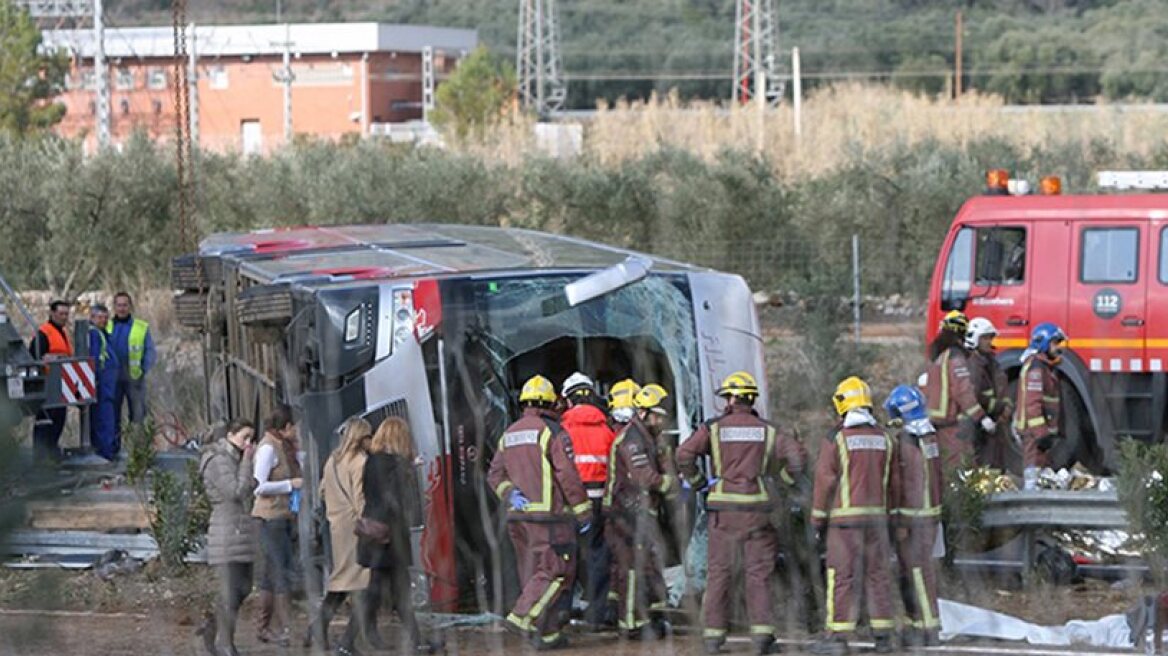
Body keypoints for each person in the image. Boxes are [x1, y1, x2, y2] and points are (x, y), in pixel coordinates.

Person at [678, 371, 806, 656]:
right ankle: (762, 638)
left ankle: (712, 638)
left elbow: (683, 455)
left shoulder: (713, 428)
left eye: (727, 397)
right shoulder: (769, 430)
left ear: (734, 398)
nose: (725, 402)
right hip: (757, 511)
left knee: (719, 574)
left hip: (723, 512)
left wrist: (700, 483)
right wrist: (781, 485)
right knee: (758, 574)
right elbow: (798, 457)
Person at [487, 374, 591, 650]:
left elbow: (494, 475)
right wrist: (583, 512)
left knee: (533, 575)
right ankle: (521, 617)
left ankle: (547, 635)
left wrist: (510, 493)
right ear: (549, 402)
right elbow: (567, 476)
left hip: (518, 517)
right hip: (550, 518)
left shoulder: (509, 434)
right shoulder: (552, 432)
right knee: (558, 572)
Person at [809, 376, 900, 656]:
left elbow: (825, 482)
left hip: (844, 523)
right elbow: (894, 483)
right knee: (878, 575)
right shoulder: (885, 438)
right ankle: (883, 636)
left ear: (842, 403)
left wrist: (817, 520)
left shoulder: (836, 439)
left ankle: (838, 637)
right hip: (878, 522)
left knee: (842, 577)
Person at [602, 383, 678, 641]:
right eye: (656, 415)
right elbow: (643, 476)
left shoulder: (648, 437)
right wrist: (667, 483)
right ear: (643, 413)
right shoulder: (632, 440)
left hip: (639, 513)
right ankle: (630, 625)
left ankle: (648, 615)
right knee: (630, 569)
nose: (660, 421)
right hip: (625, 514)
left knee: (644, 566)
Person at [359, 416, 433, 654]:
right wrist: (409, 470)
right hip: (389, 537)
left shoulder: (371, 461)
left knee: (390, 591)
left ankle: (417, 640)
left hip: (373, 533)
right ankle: (347, 642)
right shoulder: (395, 464)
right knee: (380, 593)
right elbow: (395, 500)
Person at [883, 385, 943, 648]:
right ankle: (914, 624)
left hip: (913, 519)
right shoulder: (930, 438)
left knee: (916, 572)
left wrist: (898, 521)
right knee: (916, 572)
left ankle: (928, 628)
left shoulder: (905, 443)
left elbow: (899, 485)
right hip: (931, 516)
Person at [311, 418, 374, 655]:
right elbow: (360, 499)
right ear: (361, 438)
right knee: (365, 584)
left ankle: (319, 628)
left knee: (342, 581)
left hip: (336, 525)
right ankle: (347, 642)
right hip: (355, 528)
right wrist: (368, 522)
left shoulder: (332, 460)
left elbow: (322, 490)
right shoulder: (359, 462)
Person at [558, 372, 616, 628]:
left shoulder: (563, 431)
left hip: (572, 502)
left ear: (568, 400)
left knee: (566, 557)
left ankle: (564, 611)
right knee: (598, 556)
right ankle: (597, 613)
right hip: (601, 502)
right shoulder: (607, 430)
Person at [197, 419, 259, 656]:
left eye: (251, 439)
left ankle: (212, 626)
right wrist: (247, 462)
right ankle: (225, 643)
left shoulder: (232, 459)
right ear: (231, 435)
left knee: (242, 587)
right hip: (227, 531)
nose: (248, 443)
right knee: (232, 591)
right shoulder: (219, 460)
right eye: (245, 437)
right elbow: (234, 491)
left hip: (240, 530)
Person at [251, 405, 303, 646]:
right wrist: (289, 484)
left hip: (282, 517)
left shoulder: (283, 446)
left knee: (271, 574)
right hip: (270, 518)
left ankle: (265, 628)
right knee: (280, 572)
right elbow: (259, 485)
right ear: (286, 426)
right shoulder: (268, 449)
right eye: (294, 426)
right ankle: (284, 628)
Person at [923, 310, 993, 470]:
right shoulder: (956, 357)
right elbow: (963, 390)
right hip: (951, 423)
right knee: (958, 466)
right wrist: (981, 417)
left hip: (935, 422)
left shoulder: (939, 356)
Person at [1014, 322, 1067, 488]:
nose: (1058, 348)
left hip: (1039, 434)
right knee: (1034, 475)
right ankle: (1031, 505)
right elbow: (1033, 404)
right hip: (1034, 435)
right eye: (1055, 343)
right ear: (1043, 343)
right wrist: (1041, 434)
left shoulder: (1044, 366)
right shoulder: (1036, 368)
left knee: (1042, 475)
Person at [964, 317, 1014, 469]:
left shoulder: (992, 362)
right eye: (984, 337)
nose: (988, 341)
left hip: (994, 424)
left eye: (990, 337)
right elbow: (973, 396)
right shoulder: (971, 364)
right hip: (977, 426)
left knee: (996, 465)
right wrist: (996, 409)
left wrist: (1007, 407)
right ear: (974, 339)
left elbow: (1003, 387)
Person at [106, 291, 156, 441]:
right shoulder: (106, 326)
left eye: (125, 305)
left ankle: (137, 451)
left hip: (134, 379)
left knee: (138, 416)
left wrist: (143, 370)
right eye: (119, 305)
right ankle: (113, 449)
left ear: (130, 307)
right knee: (112, 417)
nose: (122, 308)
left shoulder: (141, 327)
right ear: (114, 307)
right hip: (112, 380)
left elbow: (150, 351)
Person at [29, 300, 73, 463]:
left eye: (66, 314)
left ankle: (51, 454)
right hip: (47, 386)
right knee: (45, 422)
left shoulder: (62, 332)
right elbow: (34, 357)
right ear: (52, 313)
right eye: (61, 314)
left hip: (61, 385)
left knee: (58, 421)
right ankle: (40, 458)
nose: (64, 317)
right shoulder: (44, 333)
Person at [87, 304, 120, 461]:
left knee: (107, 418)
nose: (104, 320)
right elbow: (94, 358)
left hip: (108, 384)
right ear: (92, 318)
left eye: (106, 317)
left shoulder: (103, 334)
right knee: (103, 419)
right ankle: (105, 452)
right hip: (102, 385)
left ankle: (108, 450)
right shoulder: (94, 334)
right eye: (100, 317)